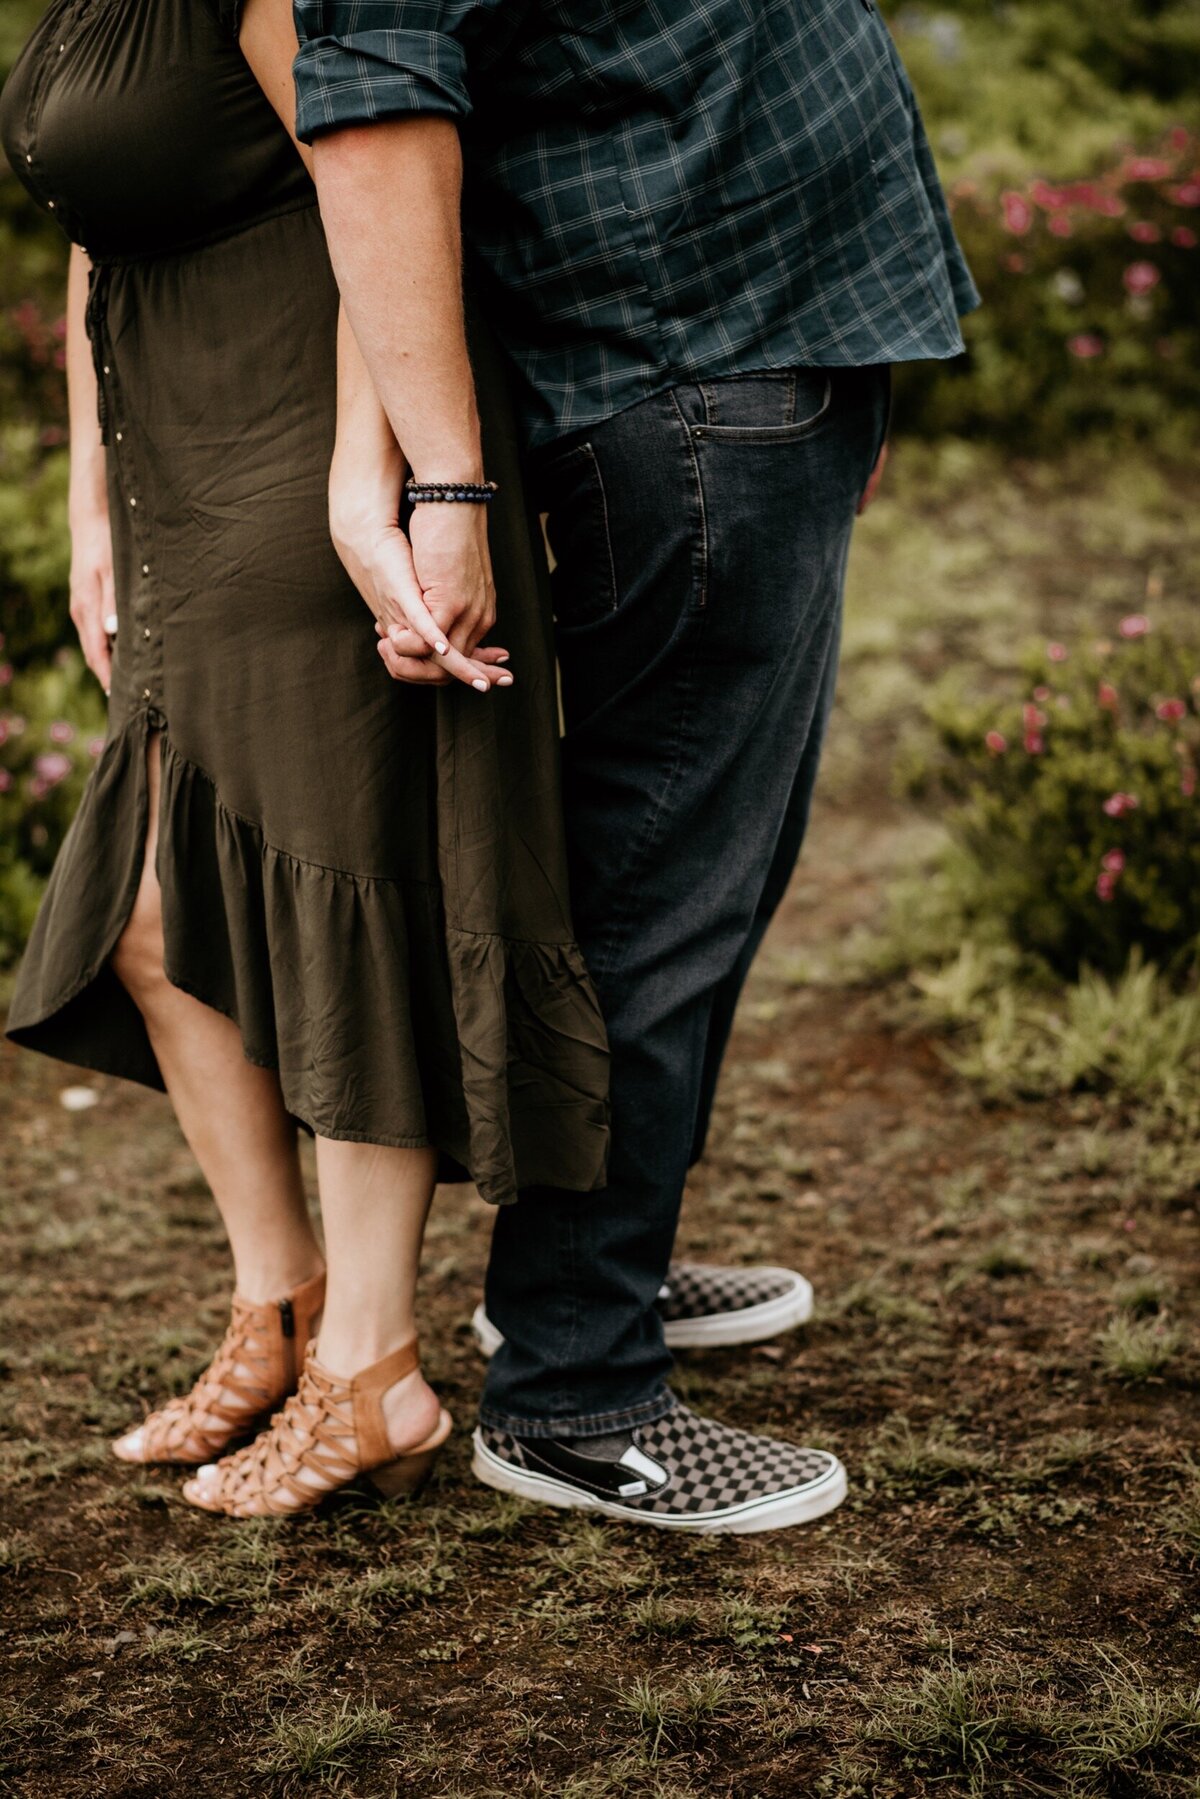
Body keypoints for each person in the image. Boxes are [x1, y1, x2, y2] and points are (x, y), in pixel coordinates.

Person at [293, 0, 979, 1534]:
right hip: (680, 368)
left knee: (711, 875)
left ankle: (589, 1266)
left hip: (764, 342)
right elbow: (374, 102)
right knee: (663, 886)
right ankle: (572, 1388)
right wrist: (446, 477)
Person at [0, 0, 608, 1518]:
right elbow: (96, 246)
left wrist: (384, 467)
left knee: (335, 880)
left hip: (307, 450)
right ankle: (276, 1308)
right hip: (177, 463)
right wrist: (90, 510)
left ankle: (372, 1367)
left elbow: (379, 170)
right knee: (147, 910)